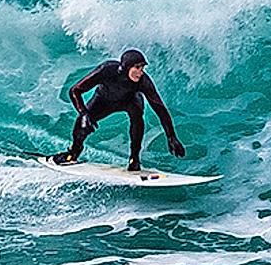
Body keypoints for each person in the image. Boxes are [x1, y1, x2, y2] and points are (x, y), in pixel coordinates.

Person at [51, 48, 185, 172]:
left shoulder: (143, 82)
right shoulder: (107, 70)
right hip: (103, 100)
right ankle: (73, 152)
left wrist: (171, 136)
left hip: (129, 101)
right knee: (82, 123)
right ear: (126, 67)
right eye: (137, 67)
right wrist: (84, 113)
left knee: (137, 115)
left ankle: (134, 159)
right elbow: (75, 90)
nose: (141, 72)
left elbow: (160, 109)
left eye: (143, 68)